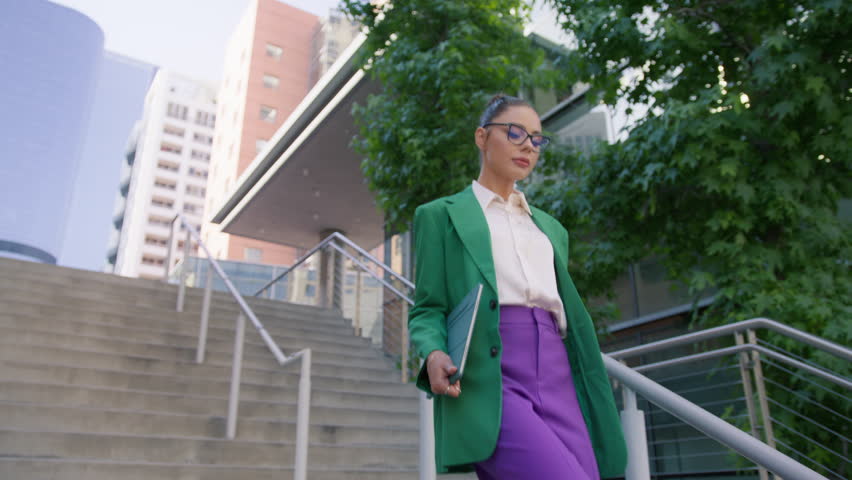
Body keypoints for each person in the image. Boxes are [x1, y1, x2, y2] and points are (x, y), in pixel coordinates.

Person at [408, 94, 628, 479]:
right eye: (515, 133)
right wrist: (433, 351)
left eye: (537, 139)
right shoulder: (439, 217)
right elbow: (428, 306)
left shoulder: (550, 228)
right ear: (481, 137)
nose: (529, 145)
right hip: (488, 371)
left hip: (559, 371)